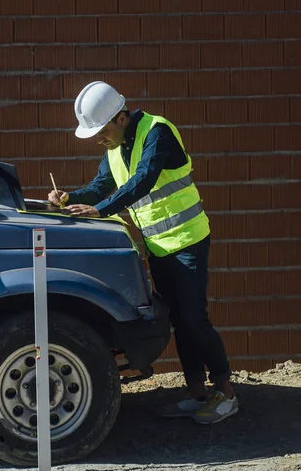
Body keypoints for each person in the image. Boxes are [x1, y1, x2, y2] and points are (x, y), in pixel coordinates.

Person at [48, 81, 238, 424]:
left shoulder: (157, 132)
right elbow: (101, 186)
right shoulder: (114, 146)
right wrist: (69, 197)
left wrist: (102, 211)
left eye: (103, 131)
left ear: (122, 117)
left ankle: (226, 391)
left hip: (188, 242)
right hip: (159, 246)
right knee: (180, 322)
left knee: (194, 320)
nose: (100, 140)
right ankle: (197, 392)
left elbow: (143, 180)